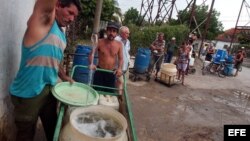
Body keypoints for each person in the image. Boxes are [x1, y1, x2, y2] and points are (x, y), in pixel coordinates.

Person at [9, 0, 81, 141]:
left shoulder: (61, 35)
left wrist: (65, 77)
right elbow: (44, 4)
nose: (72, 19)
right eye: (70, 12)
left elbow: (54, 61)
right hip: (29, 93)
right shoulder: (43, 23)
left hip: (49, 90)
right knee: (26, 134)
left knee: (53, 127)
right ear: (58, 5)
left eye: (75, 16)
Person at [89, 21, 123, 92]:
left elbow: (121, 58)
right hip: (100, 71)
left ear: (116, 34)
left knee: (109, 94)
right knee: (96, 92)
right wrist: (91, 64)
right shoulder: (99, 42)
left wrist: (119, 68)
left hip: (111, 73)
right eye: (110, 30)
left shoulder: (119, 44)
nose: (111, 33)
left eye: (114, 31)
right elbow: (91, 54)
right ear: (106, 31)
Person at [115, 26, 130, 95]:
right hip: (118, 66)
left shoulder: (128, 41)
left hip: (126, 66)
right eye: (126, 33)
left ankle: (119, 95)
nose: (128, 35)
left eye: (128, 33)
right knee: (120, 82)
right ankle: (119, 97)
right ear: (121, 33)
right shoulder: (116, 40)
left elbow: (127, 52)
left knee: (123, 83)